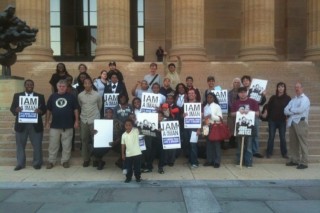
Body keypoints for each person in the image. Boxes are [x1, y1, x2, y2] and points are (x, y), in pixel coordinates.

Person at [10, 79, 47, 171]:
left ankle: (37, 163)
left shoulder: (40, 96)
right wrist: (16, 110)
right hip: (21, 124)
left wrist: (40, 111)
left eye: (31, 84)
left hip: (35, 124)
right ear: (24, 85)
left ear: (33, 86)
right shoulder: (17, 96)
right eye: (27, 84)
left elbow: (44, 109)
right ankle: (20, 164)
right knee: (20, 145)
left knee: (37, 144)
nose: (29, 86)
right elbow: (12, 108)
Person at [45, 79, 79, 169]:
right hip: (55, 125)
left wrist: (76, 120)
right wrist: (47, 121)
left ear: (66, 87)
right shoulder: (52, 96)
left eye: (63, 86)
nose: (62, 88)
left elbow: (76, 109)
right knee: (53, 144)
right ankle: (51, 161)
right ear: (57, 87)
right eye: (60, 86)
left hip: (68, 125)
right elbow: (48, 110)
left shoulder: (71, 97)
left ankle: (65, 161)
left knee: (67, 145)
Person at [231, 86, 259, 168]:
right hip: (239, 127)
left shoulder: (253, 102)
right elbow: (231, 114)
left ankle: (248, 162)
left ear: (247, 93)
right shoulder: (236, 103)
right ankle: (239, 161)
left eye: (244, 92)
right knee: (239, 146)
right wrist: (238, 112)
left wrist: (250, 111)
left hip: (249, 127)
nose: (242, 94)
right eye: (241, 92)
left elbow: (257, 114)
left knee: (249, 146)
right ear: (238, 94)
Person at [284, 82, 310, 169]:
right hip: (292, 122)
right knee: (293, 143)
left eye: (298, 87)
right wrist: (293, 111)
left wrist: (291, 110)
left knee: (303, 143)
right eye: (295, 87)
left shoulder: (305, 99)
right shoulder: (293, 99)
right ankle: (294, 160)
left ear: (302, 88)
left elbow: (301, 110)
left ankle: (304, 162)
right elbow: (285, 110)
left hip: (301, 122)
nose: (297, 89)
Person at [78, 77, 102, 167]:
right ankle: (86, 159)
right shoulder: (80, 95)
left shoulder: (97, 95)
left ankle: (95, 159)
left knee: (95, 141)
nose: (87, 84)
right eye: (85, 83)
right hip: (84, 120)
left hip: (94, 120)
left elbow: (99, 106)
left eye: (89, 83)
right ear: (83, 84)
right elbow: (80, 105)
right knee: (84, 140)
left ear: (91, 84)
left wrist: (95, 115)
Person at [241, 75, 266, 158]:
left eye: (247, 80)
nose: (245, 82)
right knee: (245, 133)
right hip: (244, 115)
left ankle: (255, 151)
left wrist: (263, 95)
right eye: (244, 80)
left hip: (254, 114)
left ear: (249, 81)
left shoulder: (255, 90)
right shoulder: (241, 91)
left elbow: (261, 102)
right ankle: (245, 150)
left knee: (255, 133)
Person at [265, 82, 291, 159]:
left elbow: (290, 108)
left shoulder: (288, 98)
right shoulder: (273, 97)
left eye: (282, 87)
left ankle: (284, 153)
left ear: (284, 88)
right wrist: (265, 112)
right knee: (271, 137)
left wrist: (288, 117)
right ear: (277, 88)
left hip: (282, 121)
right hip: (272, 120)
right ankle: (269, 152)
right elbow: (268, 106)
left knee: (282, 137)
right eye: (279, 87)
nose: (280, 88)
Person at [203, 92, 223, 168]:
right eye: (208, 97)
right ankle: (209, 160)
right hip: (207, 126)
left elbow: (220, 118)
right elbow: (204, 118)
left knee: (216, 144)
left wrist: (211, 116)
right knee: (208, 144)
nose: (209, 99)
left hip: (215, 126)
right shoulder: (205, 107)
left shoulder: (217, 106)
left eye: (211, 97)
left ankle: (217, 161)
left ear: (214, 98)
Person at [183, 89, 201, 168]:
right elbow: (181, 116)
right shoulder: (185, 105)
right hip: (187, 128)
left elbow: (201, 117)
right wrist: (183, 115)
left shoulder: (199, 104)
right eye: (189, 93)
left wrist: (199, 129)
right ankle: (191, 160)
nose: (190, 94)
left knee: (193, 145)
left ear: (195, 95)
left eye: (192, 93)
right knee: (188, 145)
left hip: (195, 128)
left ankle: (195, 162)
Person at [121, 119, 142, 183]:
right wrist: (123, 154)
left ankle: (138, 177)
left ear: (132, 125)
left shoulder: (136, 131)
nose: (128, 126)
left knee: (137, 167)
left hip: (137, 153)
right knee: (128, 168)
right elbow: (123, 145)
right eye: (126, 125)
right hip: (128, 154)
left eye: (130, 125)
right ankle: (128, 178)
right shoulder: (123, 135)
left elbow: (140, 128)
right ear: (124, 126)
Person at [227, 78, 242, 148]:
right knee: (231, 128)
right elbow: (228, 102)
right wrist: (233, 108)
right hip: (231, 113)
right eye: (235, 82)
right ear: (233, 84)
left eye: (238, 82)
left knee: (238, 128)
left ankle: (238, 142)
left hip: (240, 113)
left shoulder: (242, 92)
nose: (236, 83)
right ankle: (231, 142)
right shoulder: (229, 93)